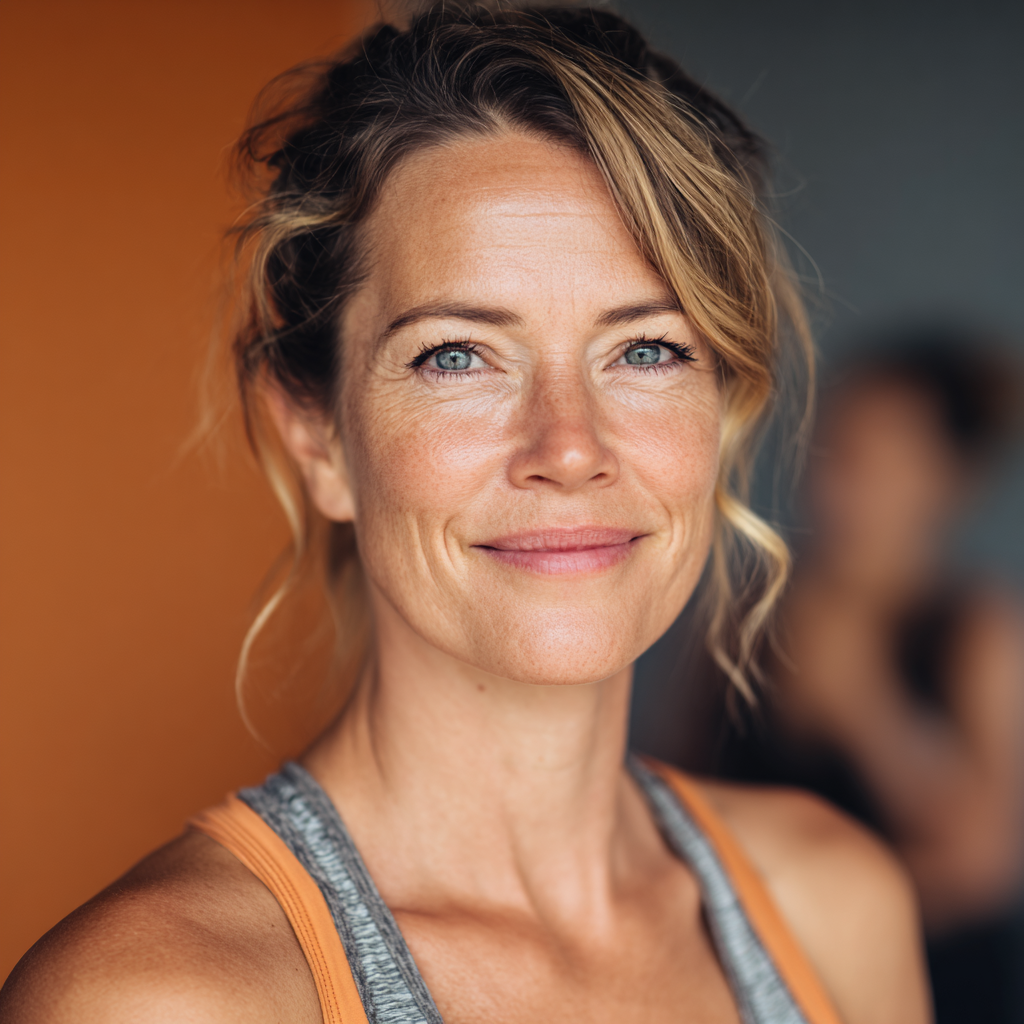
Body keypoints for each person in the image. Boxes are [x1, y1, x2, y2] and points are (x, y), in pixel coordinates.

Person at [0, 6, 930, 1022]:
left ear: (724, 407)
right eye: (456, 355)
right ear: (317, 439)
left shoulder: (834, 901)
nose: (569, 445)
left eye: (647, 349)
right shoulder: (161, 999)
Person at [715, 335, 1024, 1022]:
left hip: (938, 984)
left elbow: (982, 863)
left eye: (875, 463)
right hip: (768, 985)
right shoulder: (751, 618)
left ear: (945, 482)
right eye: (832, 454)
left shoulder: (978, 632)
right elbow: (676, 797)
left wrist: (864, 708)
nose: (839, 488)